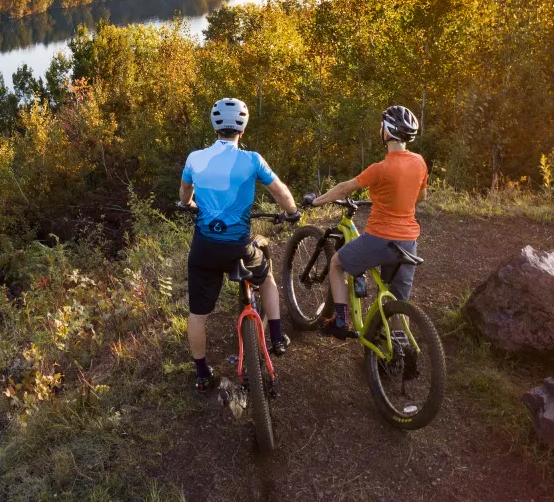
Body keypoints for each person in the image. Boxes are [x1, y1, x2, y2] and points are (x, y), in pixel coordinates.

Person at [180, 97, 301, 391]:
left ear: (214, 126)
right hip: (238, 247)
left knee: (198, 314)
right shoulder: (252, 160)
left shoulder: (195, 158)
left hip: (205, 250)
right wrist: (292, 212)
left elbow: (184, 194)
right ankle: (276, 336)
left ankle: (201, 373)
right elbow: (281, 193)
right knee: (267, 275)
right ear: (242, 131)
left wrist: (190, 203)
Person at [303, 105, 427, 339]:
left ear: (388, 133)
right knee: (399, 299)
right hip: (409, 241)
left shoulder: (380, 169)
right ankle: (401, 350)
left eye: (382, 126)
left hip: (380, 239)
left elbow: (343, 189)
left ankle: (340, 321)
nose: (380, 129)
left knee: (337, 263)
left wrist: (315, 202)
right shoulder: (419, 162)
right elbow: (421, 197)